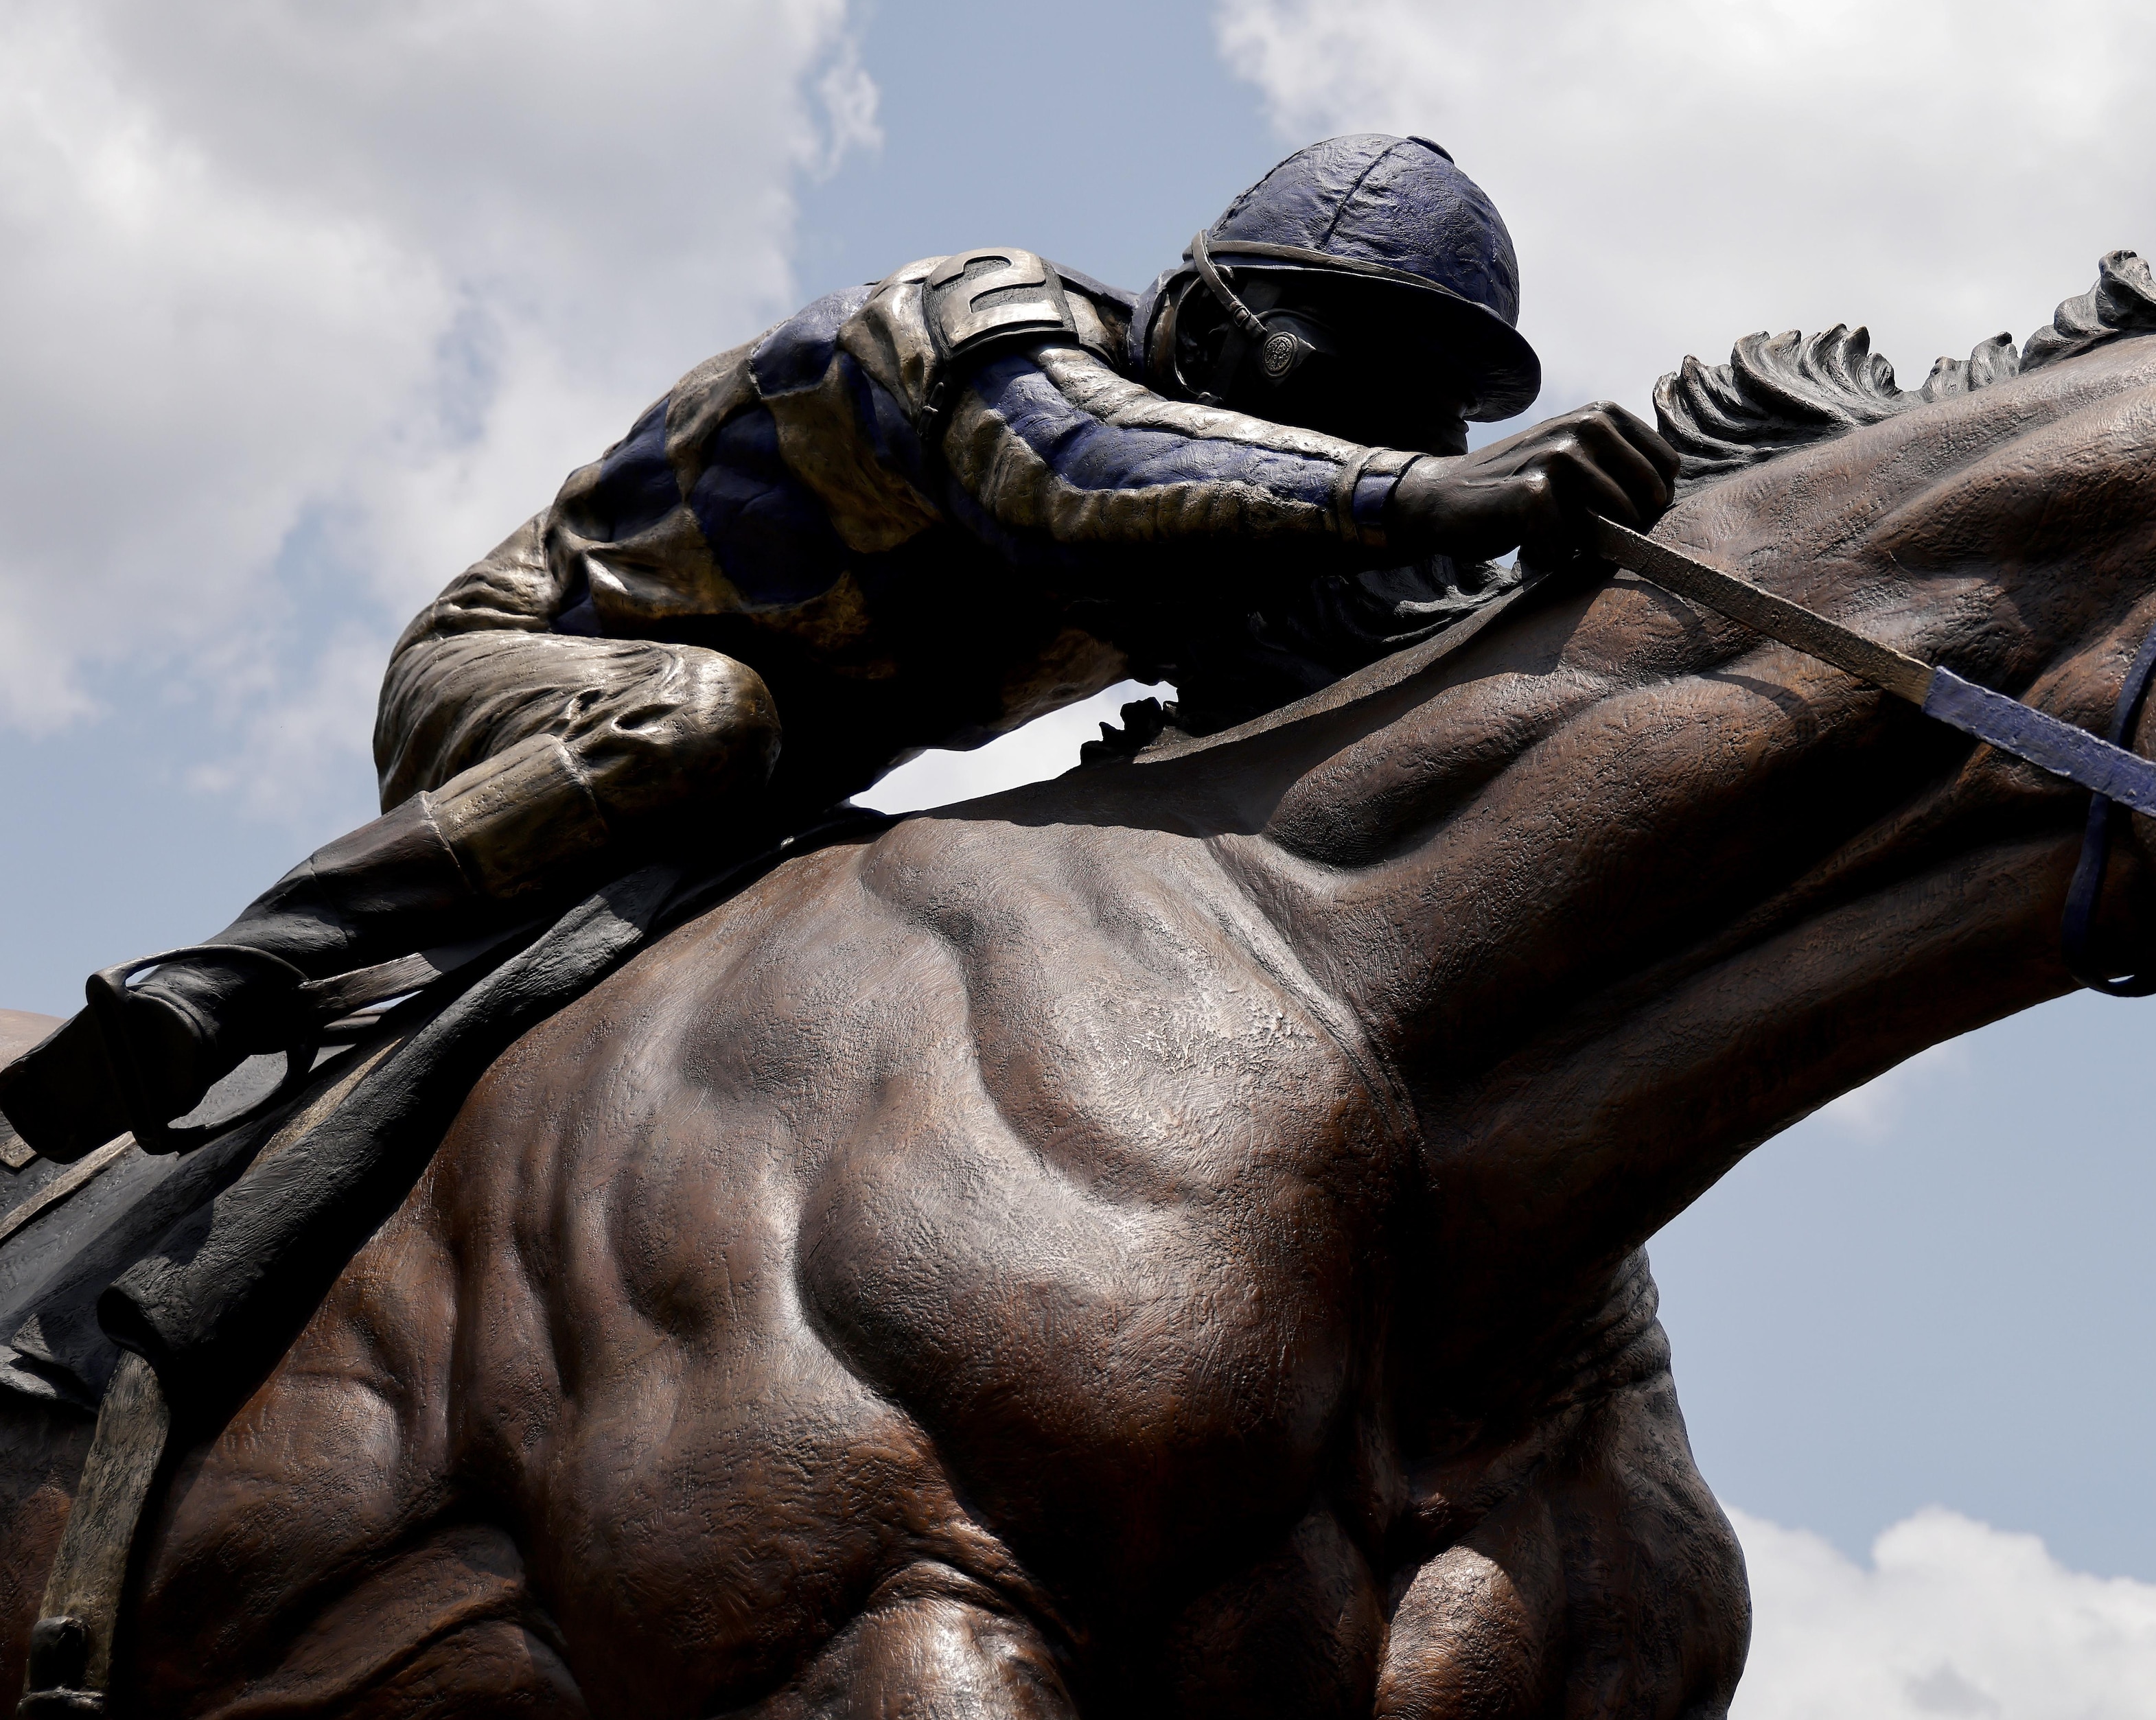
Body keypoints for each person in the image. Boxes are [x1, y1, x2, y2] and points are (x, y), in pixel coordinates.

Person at [0, 135, 1675, 1158]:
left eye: (1397, 415)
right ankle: (231, 977)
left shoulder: (1229, 538)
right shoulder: (986, 321)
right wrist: (1423, 492)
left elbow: (1380, 695)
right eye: (1336, 388)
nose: (1346, 434)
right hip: (534, 682)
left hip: (768, 811)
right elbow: (1073, 473)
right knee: (703, 718)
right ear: (1213, 316)